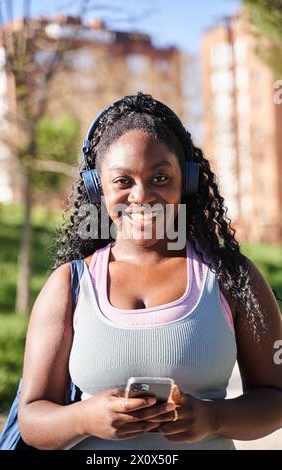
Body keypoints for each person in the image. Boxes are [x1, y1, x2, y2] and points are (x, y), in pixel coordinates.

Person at [17, 92, 282, 450]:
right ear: (99, 188)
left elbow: (275, 398)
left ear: (186, 181)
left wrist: (212, 418)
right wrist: (84, 417)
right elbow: (31, 419)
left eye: (160, 177)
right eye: (123, 181)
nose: (141, 196)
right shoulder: (70, 284)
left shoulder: (231, 278)